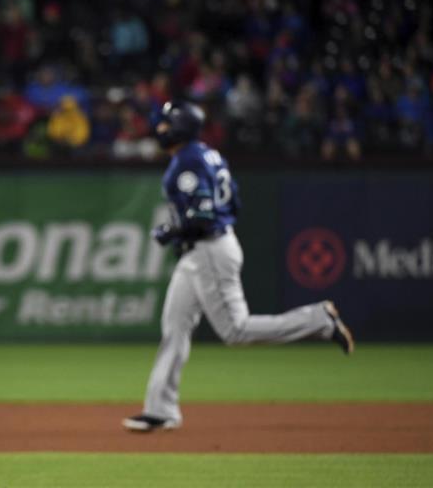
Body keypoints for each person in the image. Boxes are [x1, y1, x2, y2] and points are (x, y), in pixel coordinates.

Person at [122, 101, 354, 433]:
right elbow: (233, 204)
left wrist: (170, 231)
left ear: (179, 128)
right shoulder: (209, 155)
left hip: (209, 250)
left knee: (236, 331)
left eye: (165, 124)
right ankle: (160, 409)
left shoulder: (187, 160)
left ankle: (319, 320)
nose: (160, 129)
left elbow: (202, 215)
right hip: (202, 251)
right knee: (175, 326)